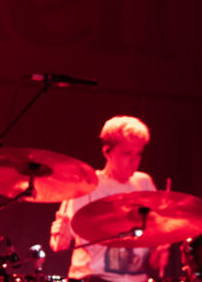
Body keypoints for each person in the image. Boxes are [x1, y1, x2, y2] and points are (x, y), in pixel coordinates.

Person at [50, 115, 166, 282]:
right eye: (127, 153)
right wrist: (61, 235)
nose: (134, 161)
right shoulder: (87, 186)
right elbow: (59, 245)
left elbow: (151, 246)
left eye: (139, 154)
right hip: (93, 278)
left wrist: (156, 256)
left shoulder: (144, 183)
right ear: (107, 152)